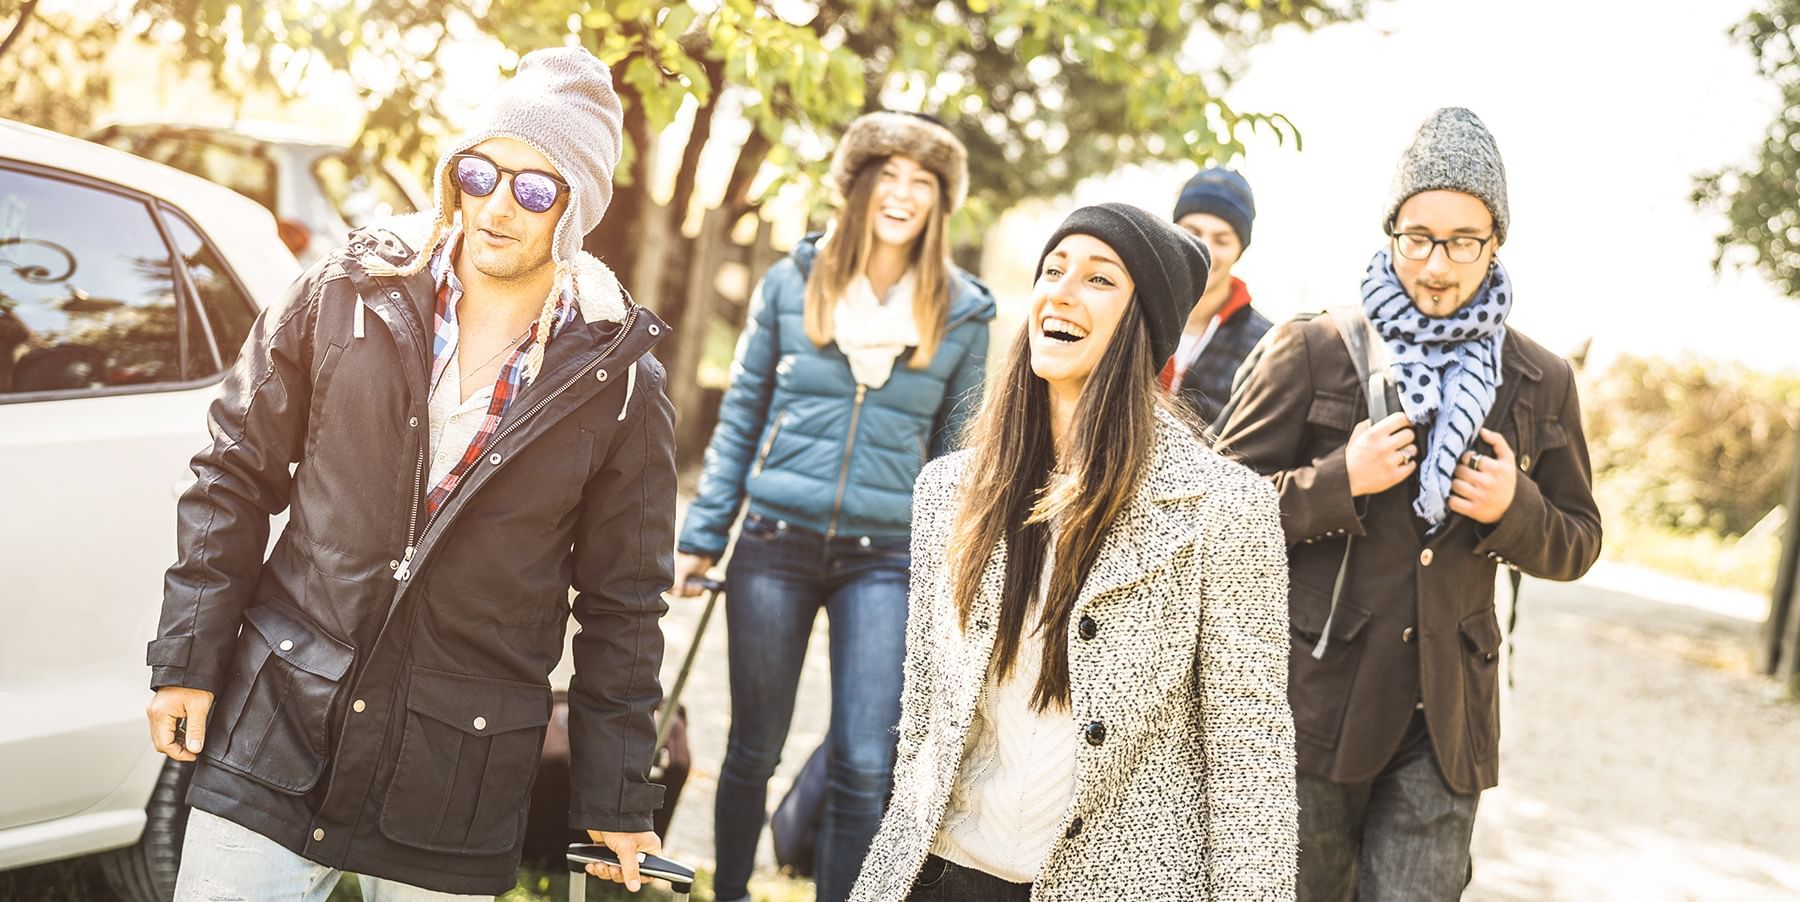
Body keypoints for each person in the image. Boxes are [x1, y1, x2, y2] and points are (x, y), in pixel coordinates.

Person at [144, 47, 675, 900]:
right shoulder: (344, 293)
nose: (497, 206)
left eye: (535, 189)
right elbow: (232, 472)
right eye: (480, 172)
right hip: (279, 728)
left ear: (574, 212)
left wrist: (616, 796)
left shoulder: (617, 384)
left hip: (453, 776)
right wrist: (187, 658)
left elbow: (625, 602)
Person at [853, 202, 1297, 902]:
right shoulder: (950, 492)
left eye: (1098, 279)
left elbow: (1250, 751)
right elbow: (924, 714)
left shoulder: (1225, 507)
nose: (1059, 291)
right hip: (943, 874)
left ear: (1143, 324)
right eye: (1052, 270)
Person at [1212, 108, 1604, 900]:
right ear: (1390, 232)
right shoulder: (1314, 347)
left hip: (1448, 721)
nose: (1437, 264)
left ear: (1495, 244)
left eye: (1464, 240)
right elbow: (1212, 512)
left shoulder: (1541, 378)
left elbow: (1579, 541)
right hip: (1314, 709)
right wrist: (1336, 482)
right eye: (1418, 236)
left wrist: (1516, 508)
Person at [671, 111, 996, 902]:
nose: (903, 193)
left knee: (862, 757)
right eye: (888, 174)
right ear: (857, 187)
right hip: (774, 541)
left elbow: (962, 451)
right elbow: (742, 411)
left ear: (939, 203)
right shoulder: (792, 282)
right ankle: (730, 893)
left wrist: (959, 568)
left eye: (923, 181)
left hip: (886, 557)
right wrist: (705, 534)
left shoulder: (964, 310)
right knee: (753, 744)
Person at [1160, 166, 1274, 424]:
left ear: (1239, 250)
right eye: (1193, 232)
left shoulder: (1265, 344)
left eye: (1222, 240)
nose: (1205, 249)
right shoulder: (1132, 315)